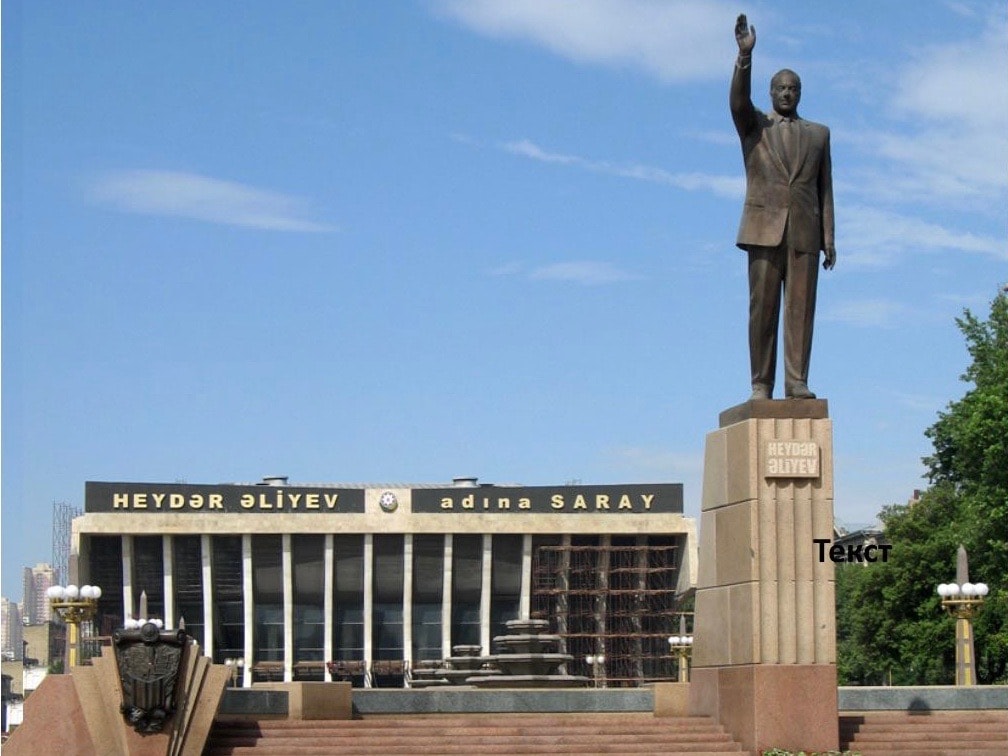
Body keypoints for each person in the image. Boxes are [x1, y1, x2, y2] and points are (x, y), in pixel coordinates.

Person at [731, 13, 836, 401]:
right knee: (763, 311)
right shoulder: (755, 127)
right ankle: (761, 384)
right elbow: (738, 102)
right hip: (763, 228)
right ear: (772, 92)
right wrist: (744, 58)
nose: (787, 93)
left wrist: (829, 237)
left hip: (805, 234)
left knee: (801, 312)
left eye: (793, 88)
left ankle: (797, 382)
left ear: (800, 93)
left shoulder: (819, 135)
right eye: (781, 88)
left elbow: (825, 189)